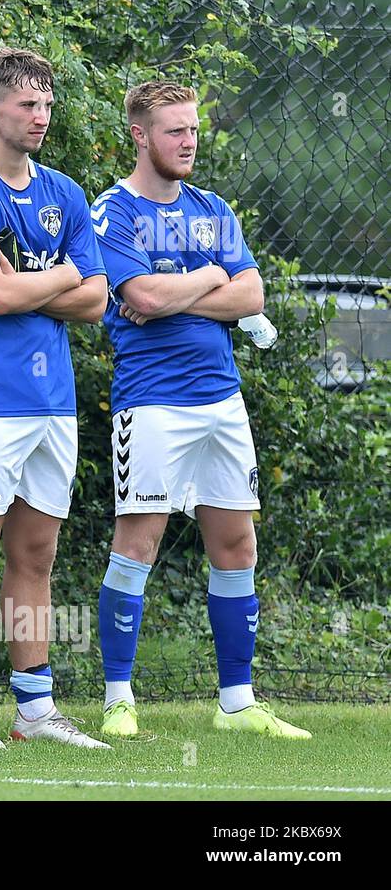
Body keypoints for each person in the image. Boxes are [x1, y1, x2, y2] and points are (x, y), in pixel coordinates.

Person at [92, 80, 310, 739]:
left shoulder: (213, 208)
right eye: (173, 131)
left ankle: (237, 703)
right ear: (139, 134)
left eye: (192, 130)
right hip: (152, 401)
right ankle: (118, 699)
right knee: (139, 542)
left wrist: (193, 286)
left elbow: (250, 293)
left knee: (237, 543)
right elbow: (143, 299)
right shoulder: (112, 211)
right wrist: (210, 278)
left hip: (221, 399)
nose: (188, 142)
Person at [0, 48, 109, 749]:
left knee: (36, 557)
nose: (41, 116)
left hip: (52, 403)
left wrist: (48, 281)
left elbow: (96, 302)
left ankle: (35, 710)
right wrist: (62, 276)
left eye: (47, 104)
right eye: (28, 105)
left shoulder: (64, 192)